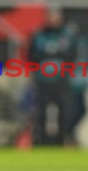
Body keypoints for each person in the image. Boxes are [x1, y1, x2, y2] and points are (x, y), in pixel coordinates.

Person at [28, 9, 77, 146]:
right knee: (42, 112)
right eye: (50, 16)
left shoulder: (68, 35)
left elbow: (72, 55)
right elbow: (32, 55)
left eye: (56, 16)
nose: (53, 19)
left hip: (61, 79)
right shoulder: (39, 35)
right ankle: (43, 141)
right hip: (43, 80)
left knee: (64, 111)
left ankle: (61, 139)